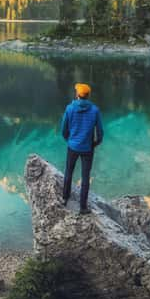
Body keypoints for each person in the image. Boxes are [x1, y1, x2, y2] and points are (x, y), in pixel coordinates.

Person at [60, 82, 104, 214]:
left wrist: (70, 141)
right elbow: (100, 132)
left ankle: (64, 198)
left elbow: (64, 130)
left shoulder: (69, 109)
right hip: (87, 148)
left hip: (73, 146)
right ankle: (83, 207)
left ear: (77, 95)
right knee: (85, 177)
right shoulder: (95, 110)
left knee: (68, 172)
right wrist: (95, 143)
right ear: (88, 96)